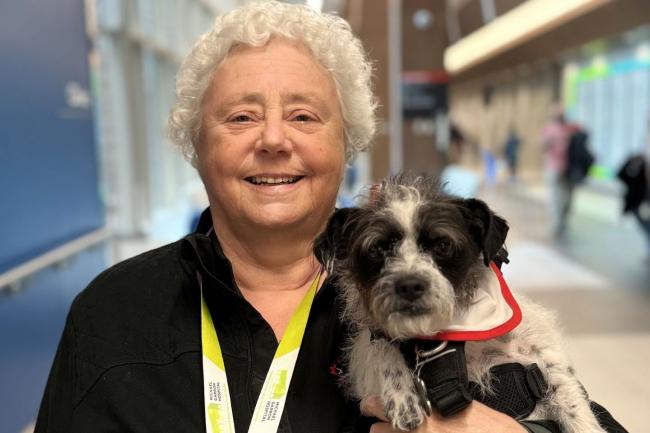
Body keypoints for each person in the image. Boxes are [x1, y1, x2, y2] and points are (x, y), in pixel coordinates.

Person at [34, 3, 625, 433]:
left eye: (305, 116)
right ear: (197, 146)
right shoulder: (113, 311)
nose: (272, 139)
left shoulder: (451, 303)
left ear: (346, 145)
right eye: (240, 117)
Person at [541, 110, 572, 237]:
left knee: (554, 197)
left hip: (553, 167)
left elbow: (543, 146)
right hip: (567, 168)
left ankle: (557, 223)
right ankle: (562, 220)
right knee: (564, 195)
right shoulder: (568, 130)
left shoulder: (550, 129)